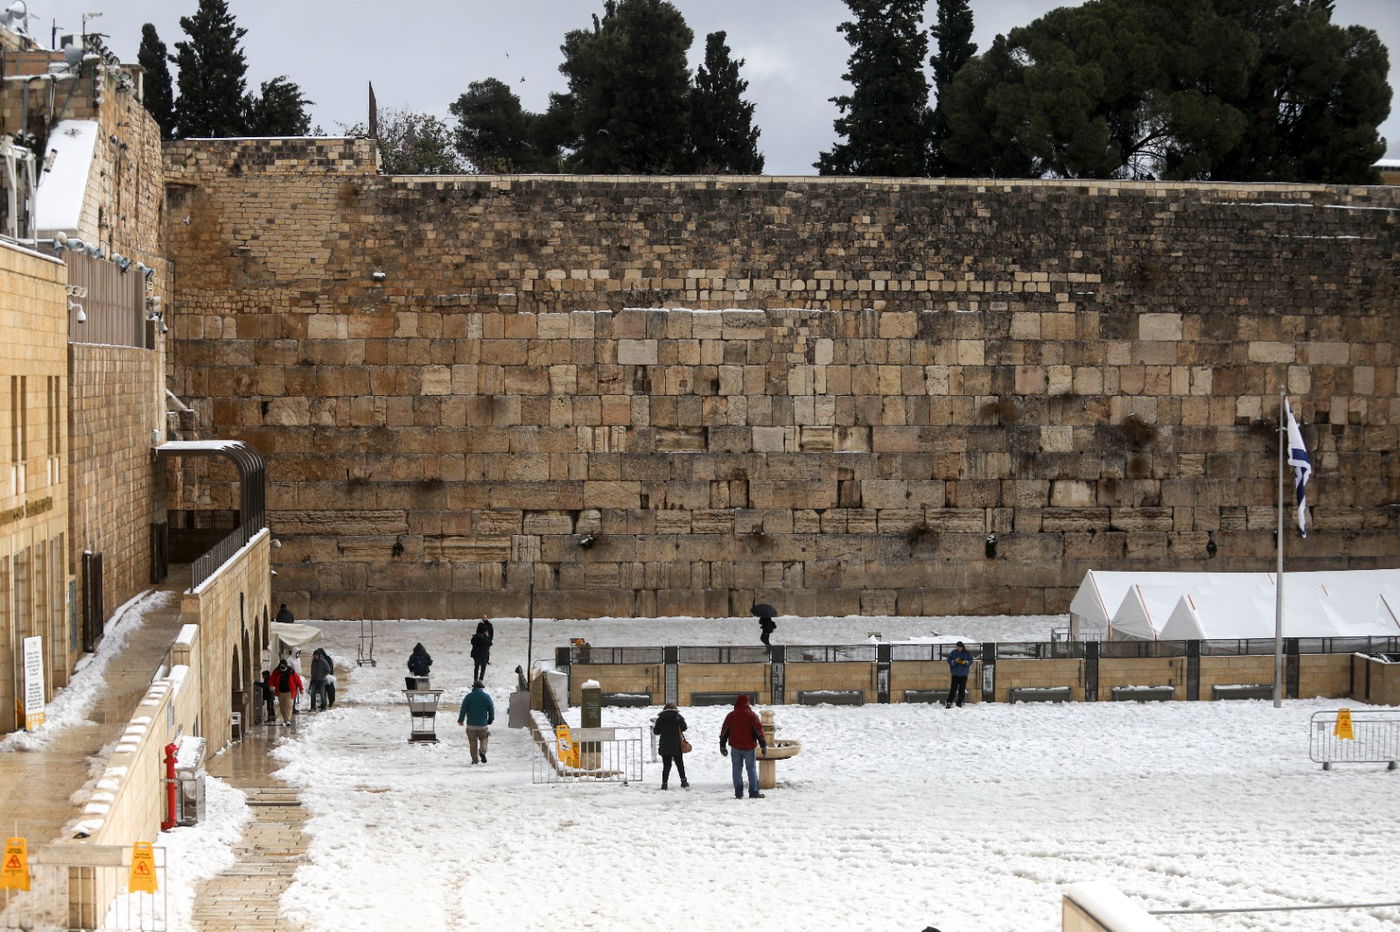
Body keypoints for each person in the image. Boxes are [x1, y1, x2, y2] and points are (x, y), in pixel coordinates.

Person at [719, 694, 767, 799]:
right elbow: (758, 731)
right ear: (747, 702)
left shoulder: (731, 715)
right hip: (749, 747)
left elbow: (724, 731)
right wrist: (763, 745)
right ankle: (754, 792)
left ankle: (738, 792)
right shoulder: (751, 715)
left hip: (735, 747)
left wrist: (722, 745)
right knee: (751, 769)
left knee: (736, 769)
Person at [652, 702, 690, 790]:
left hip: (665, 745)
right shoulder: (678, 717)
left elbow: (656, 732)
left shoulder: (660, 718)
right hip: (676, 744)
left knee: (666, 765)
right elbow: (684, 728)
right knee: (680, 764)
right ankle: (683, 781)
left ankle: (664, 784)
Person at [457, 681, 495, 764]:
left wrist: (461, 720)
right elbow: (491, 709)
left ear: (473, 687)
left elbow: (463, 709)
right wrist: (490, 719)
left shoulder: (468, 697)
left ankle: (475, 760)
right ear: (482, 688)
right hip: (482, 725)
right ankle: (482, 751)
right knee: (484, 738)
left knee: (472, 742)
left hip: (471, 726)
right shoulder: (486, 697)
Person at [271, 658, 302, 726]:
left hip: (289, 691)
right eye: (281, 665)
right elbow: (272, 679)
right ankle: (285, 719)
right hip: (280, 691)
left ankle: (288, 720)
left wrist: (301, 689)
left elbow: (298, 680)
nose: (282, 666)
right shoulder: (277, 671)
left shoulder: (291, 671)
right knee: (282, 706)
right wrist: (272, 685)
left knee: (288, 705)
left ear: (286, 665)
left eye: (283, 665)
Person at [946, 641, 974, 708]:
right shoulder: (953, 652)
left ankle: (959, 702)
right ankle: (949, 702)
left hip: (963, 675)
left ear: (962, 647)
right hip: (955, 674)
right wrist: (954, 661)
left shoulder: (967, 653)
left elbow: (971, 661)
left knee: (962, 689)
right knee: (953, 689)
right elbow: (949, 660)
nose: (958, 648)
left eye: (960, 647)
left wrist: (965, 662)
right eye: (957, 647)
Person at [309, 647, 332, 711]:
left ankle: (323, 707)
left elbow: (328, 670)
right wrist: (312, 675)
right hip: (314, 680)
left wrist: (322, 676)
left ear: (319, 655)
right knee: (312, 693)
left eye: (316, 655)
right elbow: (312, 669)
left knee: (322, 693)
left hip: (322, 680)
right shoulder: (313, 661)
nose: (315, 657)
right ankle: (312, 707)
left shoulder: (323, 661)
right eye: (314, 655)